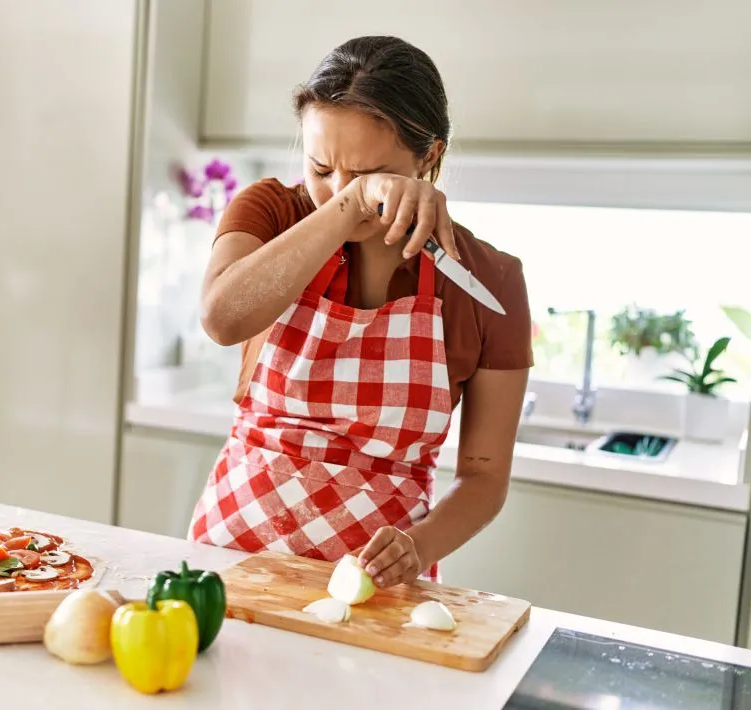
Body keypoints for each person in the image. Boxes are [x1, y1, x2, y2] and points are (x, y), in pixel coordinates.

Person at [188, 36, 533, 589]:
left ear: (430, 156)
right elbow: (222, 319)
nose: (336, 191)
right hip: (231, 555)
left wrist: (416, 549)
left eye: (372, 171)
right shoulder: (272, 211)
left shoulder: (490, 280)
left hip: (372, 589)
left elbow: (484, 480)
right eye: (321, 168)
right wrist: (351, 204)